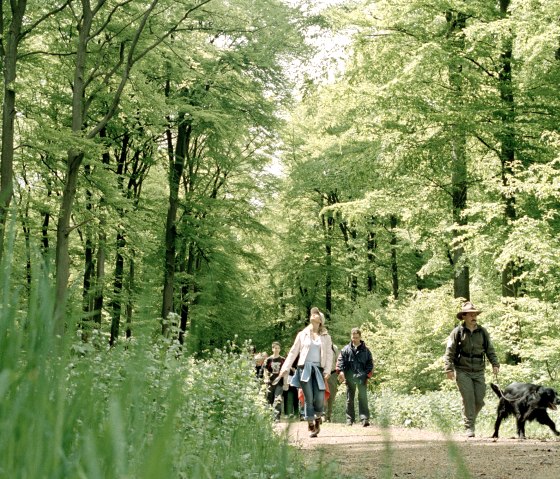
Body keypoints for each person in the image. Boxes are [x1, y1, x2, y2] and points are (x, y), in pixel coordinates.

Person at [444, 301, 500, 438]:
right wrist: (448, 369)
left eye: (475, 314)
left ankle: (468, 417)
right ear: (464, 316)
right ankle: (469, 427)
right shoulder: (457, 332)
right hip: (462, 370)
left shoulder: (482, 332)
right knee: (468, 398)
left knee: (479, 400)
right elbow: (449, 351)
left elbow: (490, 349)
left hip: (479, 370)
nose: (473, 317)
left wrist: (495, 363)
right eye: (470, 314)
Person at [274, 307, 333, 437]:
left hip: (318, 369)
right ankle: (311, 423)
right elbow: (293, 351)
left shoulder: (326, 337)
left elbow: (329, 354)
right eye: (313, 313)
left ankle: (318, 417)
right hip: (304, 369)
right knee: (308, 397)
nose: (313, 315)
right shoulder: (302, 334)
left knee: (319, 397)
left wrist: (328, 370)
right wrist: (285, 368)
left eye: (316, 314)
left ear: (321, 320)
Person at [337, 328, 374, 427]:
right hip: (350, 377)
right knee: (350, 399)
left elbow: (370, 365)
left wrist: (365, 374)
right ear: (351, 336)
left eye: (357, 337)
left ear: (360, 337)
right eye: (353, 337)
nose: (355, 339)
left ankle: (364, 419)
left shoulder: (366, 351)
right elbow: (340, 362)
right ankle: (349, 420)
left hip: (362, 377)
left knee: (363, 398)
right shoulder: (345, 350)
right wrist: (341, 373)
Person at [264, 342, 286, 421]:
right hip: (270, 382)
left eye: (278, 348)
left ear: (280, 349)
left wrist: (285, 380)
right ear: (272, 349)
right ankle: (269, 416)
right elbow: (265, 370)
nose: (276, 350)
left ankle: (277, 417)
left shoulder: (283, 359)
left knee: (278, 398)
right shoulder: (268, 359)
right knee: (269, 399)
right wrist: (266, 378)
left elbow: (286, 370)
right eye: (275, 348)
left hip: (279, 382)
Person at [325, 343, 340, 422]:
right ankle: (321, 414)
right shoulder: (318, 346)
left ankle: (328, 416)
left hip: (332, 374)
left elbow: (338, 361)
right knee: (320, 394)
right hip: (321, 373)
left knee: (331, 395)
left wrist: (340, 373)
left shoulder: (334, 347)